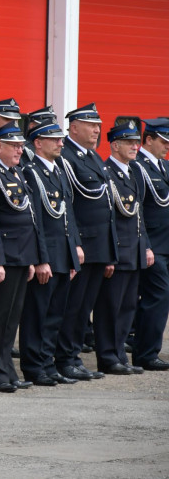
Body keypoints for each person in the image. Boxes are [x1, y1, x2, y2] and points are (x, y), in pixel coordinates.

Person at [0, 124, 47, 392]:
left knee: (11, 318)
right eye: (15, 146)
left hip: (21, 256)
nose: (21, 150)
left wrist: (31, 258)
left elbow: (28, 219)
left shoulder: (15, 172)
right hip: (5, 257)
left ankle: (7, 369)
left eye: (21, 145)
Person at [19, 119, 84, 386]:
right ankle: (34, 367)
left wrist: (74, 247)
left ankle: (47, 362)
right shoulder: (32, 172)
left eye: (61, 138)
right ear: (38, 142)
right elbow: (36, 221)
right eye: (54, 139)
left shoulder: (57, 170)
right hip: (47, 256)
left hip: (62, 254)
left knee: (55, 314)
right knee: (37, 315)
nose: (61, 143)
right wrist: (42, 259)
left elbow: (68, 213)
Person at [55, 103, 116, 382]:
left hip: (99, 245)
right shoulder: (65, 156)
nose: (97, 130)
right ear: (74, 127)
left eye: (98, 125)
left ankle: (74, 355)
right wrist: (75, 242)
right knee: (73, 306)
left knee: (84, 307)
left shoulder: (92, 157)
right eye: (91, 125)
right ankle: (64, 358)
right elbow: (69, 204)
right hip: (82, 245)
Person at [94, 118, 152, 375]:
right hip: (118, 252)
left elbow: (138, 214)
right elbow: (107, 218)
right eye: (129, 143)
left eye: (136, 142)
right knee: (110, 308)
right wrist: (110, 254)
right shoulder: (107, 173)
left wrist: (146, 246)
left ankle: (119, 354)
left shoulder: (134, 172)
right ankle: (108, 357)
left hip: (135, 251)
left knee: (128, 307)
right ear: (114, 146)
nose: (134, 147)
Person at [132, 117, 169, 371]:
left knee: (160, 297)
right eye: (163, 141)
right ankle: (145, 353)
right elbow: (137, 210)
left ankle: (148, 349)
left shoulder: (163, 166)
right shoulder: (138, 167)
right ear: (149, 140)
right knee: (157, 294)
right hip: (152, 244)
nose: (166, 146)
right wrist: (144, 244)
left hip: (166, 243)